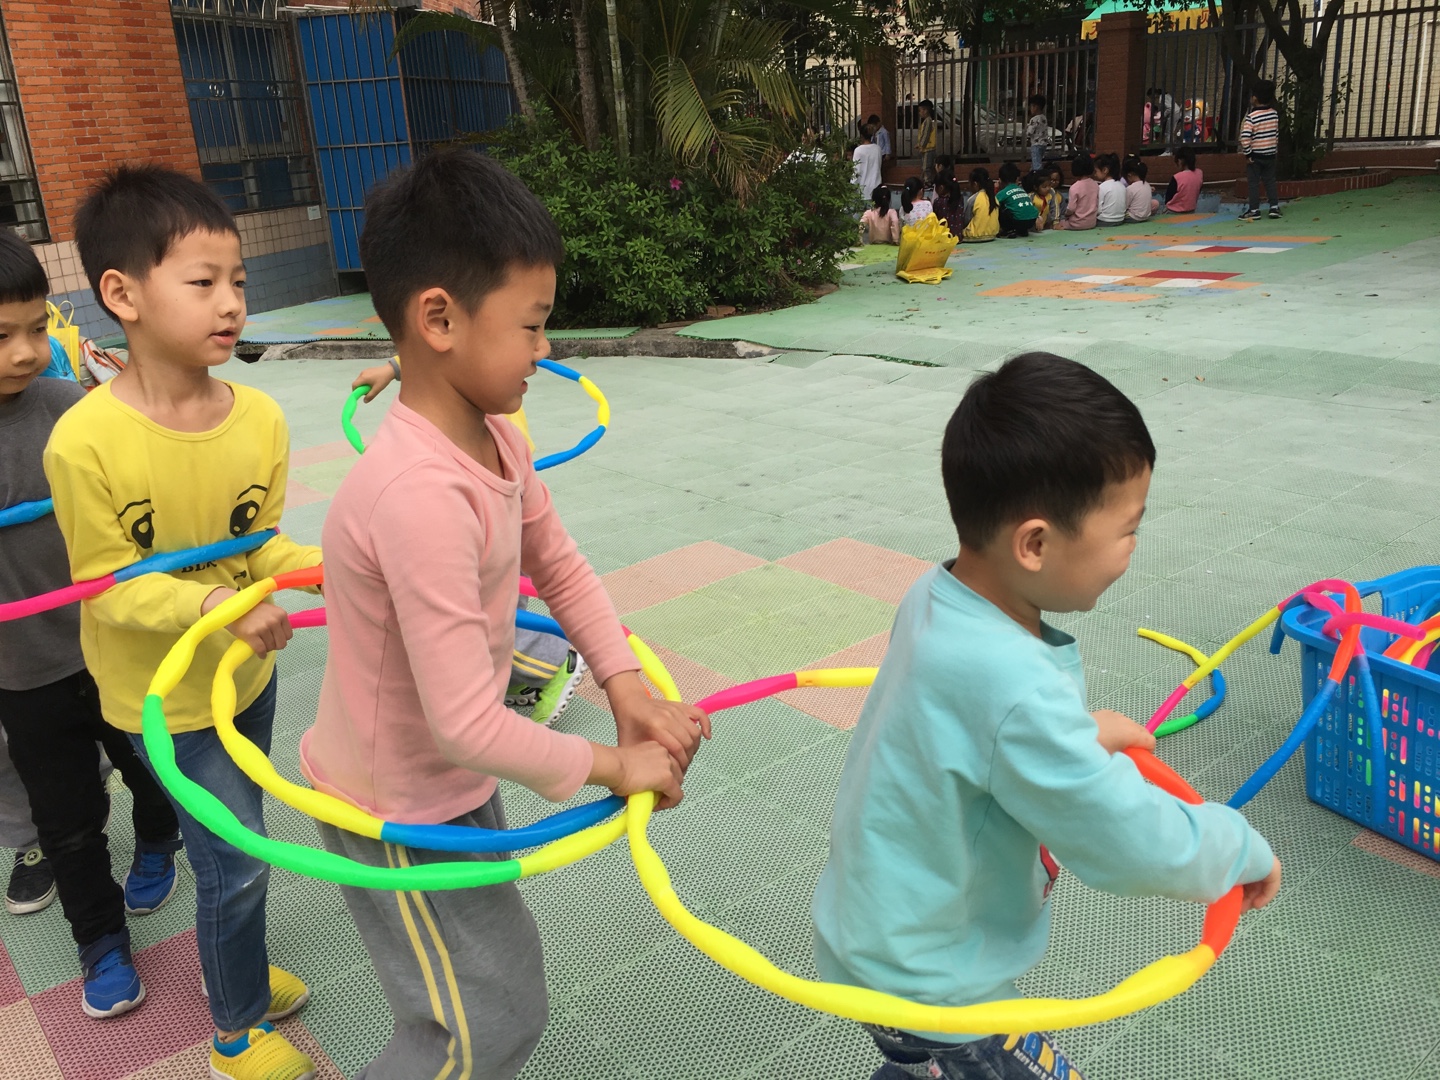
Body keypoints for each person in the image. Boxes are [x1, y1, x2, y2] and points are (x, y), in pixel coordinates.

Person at [301, 148, 711, 1080]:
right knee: (474, 1027)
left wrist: (627, 689)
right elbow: (467, 722)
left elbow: (557, 565)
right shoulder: (417, 497)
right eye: (531, 326)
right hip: (392, 808)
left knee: (499, 995)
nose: (545, 350)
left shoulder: (497, 440)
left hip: (449, 775)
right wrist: (614, 764)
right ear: (439, 320)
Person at [811, 352, 1281, 1080]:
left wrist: (1080, 735)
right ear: (1035, 544)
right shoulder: (1015, 690)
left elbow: (958, 734)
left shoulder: (935, 596)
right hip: (936, 986)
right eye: (1127, 530)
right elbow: (1126, 840)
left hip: (873, 935)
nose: (1133, 550)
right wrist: (1238, 846)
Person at [49, 166, 323, 1078]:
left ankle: (231, 960)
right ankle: (234, 1031)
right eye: (203, 282)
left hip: (246, 676)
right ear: (121, 294)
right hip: (163, 701)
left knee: (236, 851)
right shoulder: (84, 440)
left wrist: (326, 567)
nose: (231, 302)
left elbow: (261, 544)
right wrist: (213, 605)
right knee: (238, 861)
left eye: (238, 280)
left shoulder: (260, 418)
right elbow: (106, 587)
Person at [0, 230, 185, 1021]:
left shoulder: (68, 409)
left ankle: (160, 836)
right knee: (66, 818)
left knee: (150, 767)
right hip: (21, 670)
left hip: (110, 644)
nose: (26, 351)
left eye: (36, 327)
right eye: (2, 335)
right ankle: (101, 941)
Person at [350, 357, 592, 727]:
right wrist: (394, 368)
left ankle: (555, 662)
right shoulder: (453, 371)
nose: (539, 348)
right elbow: (440, 352)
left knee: (486, 608)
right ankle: (514, 675)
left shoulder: (489, 401)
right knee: (491, 596)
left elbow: (453, 350)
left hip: (492, 486)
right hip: (465, 483)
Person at [1239, 80, 1282, 220]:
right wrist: (1274, 150)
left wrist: (1248, 154)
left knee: (1253, 183)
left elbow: (1245, 138)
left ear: (1255, 98)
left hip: (1255, 156)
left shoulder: (1251, 117)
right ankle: (1274, 207)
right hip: (1270, 154)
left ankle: (1254, 210)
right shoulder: (1274, 114)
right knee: (1270, 181)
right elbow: (1275, 134)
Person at [995, 162, 1038, 238]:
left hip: (1018, 222)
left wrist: (996, 189)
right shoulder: (1021, 190)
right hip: (1032, 220)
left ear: (1000, 180)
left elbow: (993, 203)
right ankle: (1022, 231)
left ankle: (1008, 231)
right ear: (1017, 179)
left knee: (999, 207)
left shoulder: (1003, 192)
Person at [1056, 154, 1098, 230]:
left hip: (1076, 223)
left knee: (1059, 222)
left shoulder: (1074, 187)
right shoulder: (1095, 184)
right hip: (1092, 222)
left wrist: (1065, 214)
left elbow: (1071, 209)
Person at [962, 168, 999, 242]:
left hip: (973, 236)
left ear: (975, 184)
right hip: (992, 235)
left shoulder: (973, 199)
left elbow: (966, 221)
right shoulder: (994, 198)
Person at [1162, 146, 1203, 213]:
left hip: (1173, 211)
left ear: (1180, 161)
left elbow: (1168, 199)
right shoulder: (1199, 173)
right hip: (1191, 210)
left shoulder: (1176, 177)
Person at [852, 125, 884, 203]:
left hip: (862, 190)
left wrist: (852, 185)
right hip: (876, 188)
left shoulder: (858, 150)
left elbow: (856, 171)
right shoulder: (878, 149)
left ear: (861, 136)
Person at [1096, 154, 1126, 227]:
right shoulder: (1122, 186)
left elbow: (1098, 210)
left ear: (1105, 170)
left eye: (1096, 171)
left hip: (1104, 220)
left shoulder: (1102, 187)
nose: (1095, 174)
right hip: (1120, 219)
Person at [1025, 94, 1049, 173]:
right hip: (1043, 143)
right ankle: (1032, 173)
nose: (1030, 109)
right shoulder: (1044, 118)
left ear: (1036, 107)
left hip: (1036, 144)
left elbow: (1029, 132)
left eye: (1031, 106)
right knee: (1038, 160)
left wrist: (1027, 127)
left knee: (1036, 163)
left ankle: (1037, 175)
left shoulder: (1034, 119)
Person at [917, 99, 938, 184]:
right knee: (925, 167)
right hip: (927, 148)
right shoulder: (927, 121)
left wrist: (921, 145)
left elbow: (925, 135)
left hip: (928, 148)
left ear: (925, 110)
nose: (919, 113)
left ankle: (928, 182)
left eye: (920, 110)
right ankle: (925, 181)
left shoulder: (928, 121)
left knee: (926, 167)